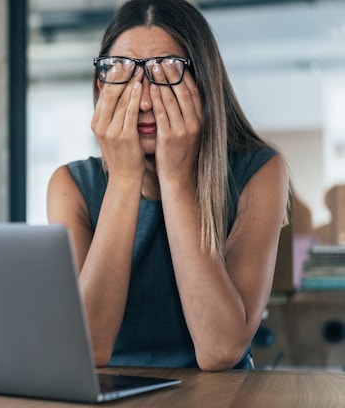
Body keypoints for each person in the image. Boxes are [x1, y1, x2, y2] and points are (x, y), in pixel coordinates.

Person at [46, 0, 290, 371]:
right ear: (102, 83)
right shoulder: (71, 186)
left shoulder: (260, 172)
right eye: (123, 71)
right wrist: (125, 179)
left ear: (204, 83)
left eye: (167, 70)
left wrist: (175, 179)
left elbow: (220, 349)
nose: (144, 100)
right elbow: (87, 349)